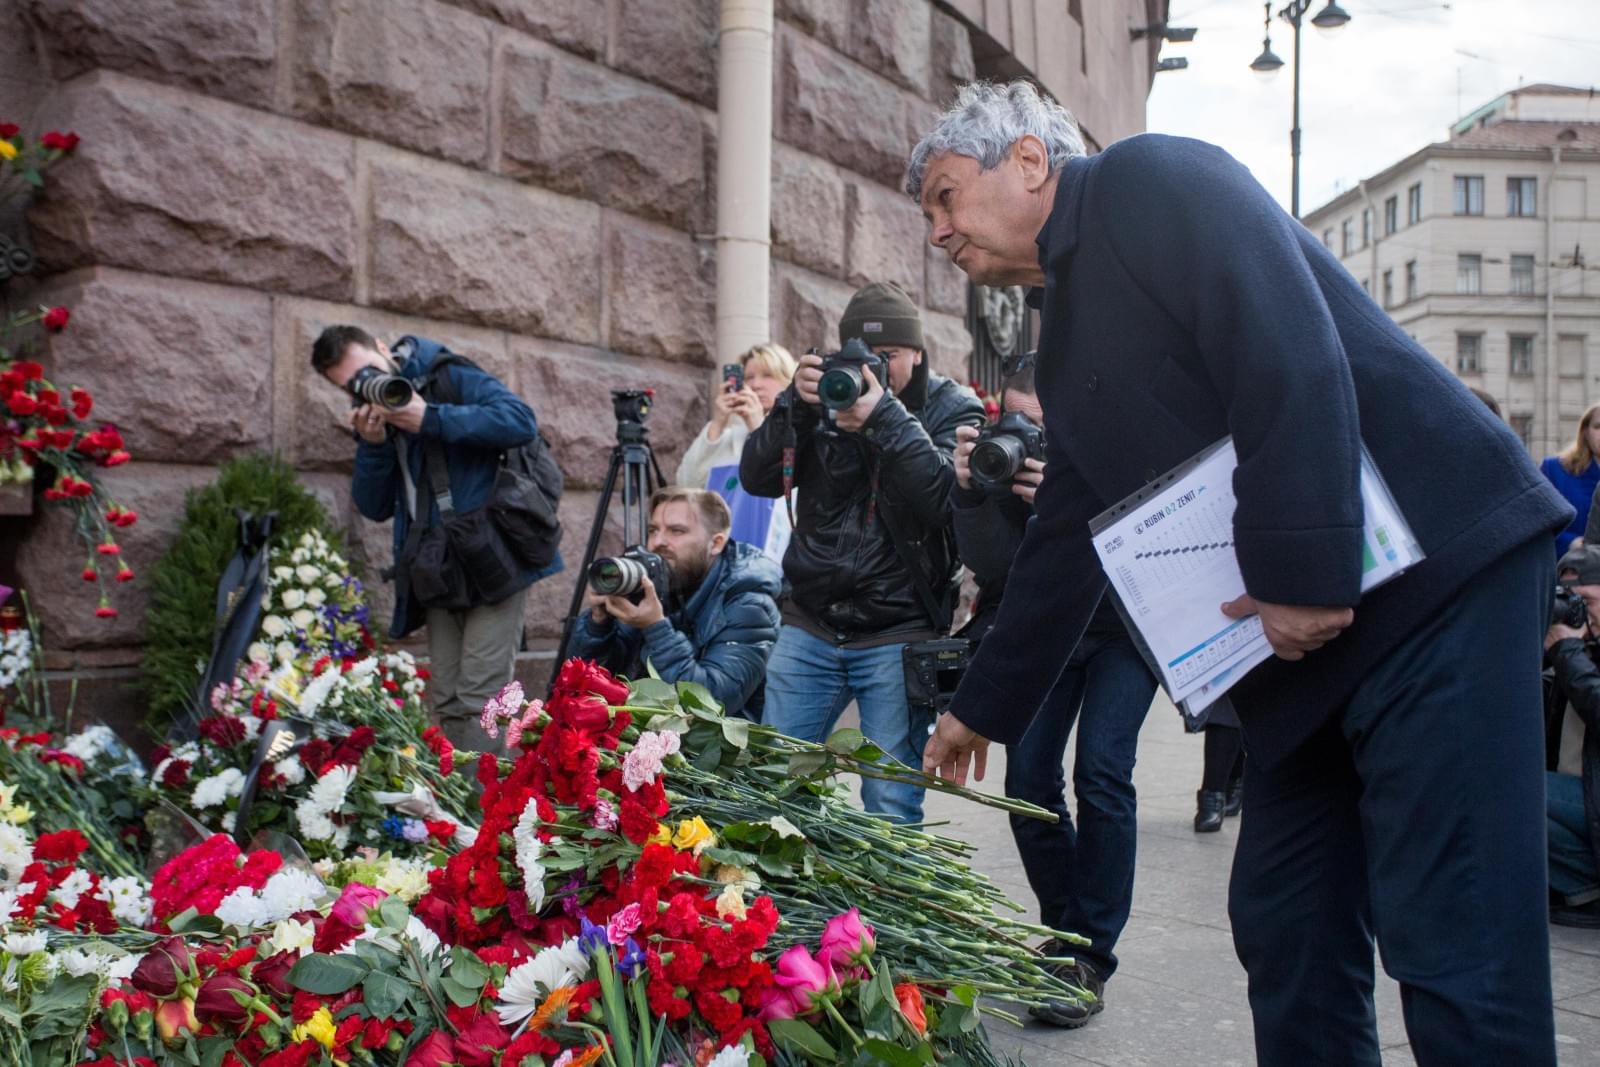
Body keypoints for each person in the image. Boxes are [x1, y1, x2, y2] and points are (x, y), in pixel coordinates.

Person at [909, 81, 1571, 1065]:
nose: (937, 232)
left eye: (945, 196)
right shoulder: (1070, 333)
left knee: (1456, 942)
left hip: (1437, 585)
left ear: (1030, 161)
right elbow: (1066, 536)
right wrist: (982, 707)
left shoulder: (1148, 180)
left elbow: (1288, 350)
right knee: (1286, 921)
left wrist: (1303, 571)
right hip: (1304, 650)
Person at [949, 354, 1156, 1026]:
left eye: (1046, 423)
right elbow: (992, 565)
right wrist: (973, 492)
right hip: (1048, 631)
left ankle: (1091, 953)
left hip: (1125, 629)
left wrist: (1075, 503)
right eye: (1021, 423)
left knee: (1102, 770)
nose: (1036, 437)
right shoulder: (1005, 468)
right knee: (1028, 780)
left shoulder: (1117, 442)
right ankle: (1068, 936)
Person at [740, 281, 985, 823]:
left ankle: (886, 885)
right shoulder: (824, 393)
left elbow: (945, 502)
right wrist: (792, 407)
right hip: (810, 622)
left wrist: (885, 418)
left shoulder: (952, 407)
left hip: (898, 631)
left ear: (917, 352)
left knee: (890, 803)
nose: (873, 368)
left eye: (888, 355)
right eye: (864, 353)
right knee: (774, 787)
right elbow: (756, 479)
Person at [311, 325, 562, 754]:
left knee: (481, 699)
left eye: (368, 371)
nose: (366, 385)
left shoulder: (445, 373)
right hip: (437, 564)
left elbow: (520, 420)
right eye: (352, 385)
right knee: (447, 700)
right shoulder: (377, 414)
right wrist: (373, 444)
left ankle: (484, 797)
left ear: (384, 349)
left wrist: (431, 418)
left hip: (492, 557)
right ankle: (460, 796)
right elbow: (374, 506)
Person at [568, 487, 781, 719]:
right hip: (642, 730)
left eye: (676, 531)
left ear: (716, 543)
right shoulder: (656, 581)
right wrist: (598, 626)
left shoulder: (749, 604)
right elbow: (586, 684)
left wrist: (655, 628)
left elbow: (712, 703)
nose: (658, 542)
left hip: (710, 738)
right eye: (653, 530)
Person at [1542, 544, 1600, 928]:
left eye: (1587, 601)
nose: (1578, 611)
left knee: (1517, 787)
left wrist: (1568, 652)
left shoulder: (1573, 653)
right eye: (1568, 601)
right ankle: (1584, 888)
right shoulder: (1576, 650)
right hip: (1583, 799)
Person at [676, 343, 798, 491]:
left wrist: (758, 427)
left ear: (788, 381)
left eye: (767, 375)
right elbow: (686, 484)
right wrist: (717, 424)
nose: (755, 385)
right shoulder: (731, 438)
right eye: (748, 377)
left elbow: (787, 484)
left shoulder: (799, 431)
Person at [1539, 404, 1600, 555]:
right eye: (1598, 426)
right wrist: (1570, 542)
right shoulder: (1554, 469)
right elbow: (1537, 521)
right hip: (1567, 564)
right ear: (1585, 432)